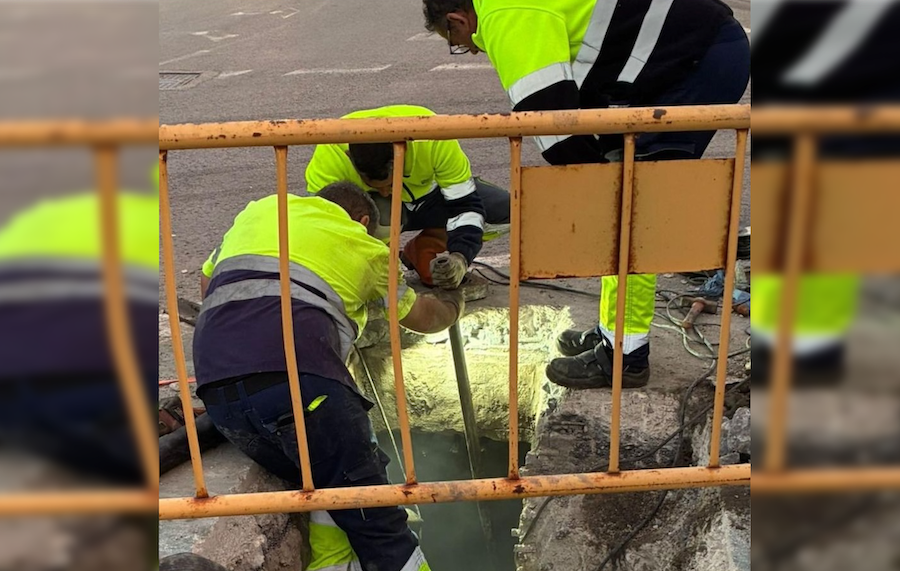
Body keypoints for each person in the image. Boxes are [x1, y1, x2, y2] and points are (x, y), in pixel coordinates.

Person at [421, 0, 750, 389]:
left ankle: (625, 357)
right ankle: (612, 332)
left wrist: (601, 187)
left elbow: (550, 125)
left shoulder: (502, 15)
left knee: (633, 208)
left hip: (696, 60)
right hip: (677, 58)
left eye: (456, 39)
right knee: (621, 201)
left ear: (457, 18)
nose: (469, 48)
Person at [194, 182, 463, 571]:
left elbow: (207, 284)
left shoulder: (262, 211)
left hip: (220, 397)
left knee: (329, 477)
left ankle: (334, 561)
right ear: (363, 221)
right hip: (301, 385)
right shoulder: (364, 245)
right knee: (382, 526)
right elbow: (424, 318)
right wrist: (454, 301)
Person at [305, 104, 509, 289]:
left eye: (390, 184)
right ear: (349, 158)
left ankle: (424, 250)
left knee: (510, 211)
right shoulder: (331, 152)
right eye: (376, 186)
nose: (386, 192)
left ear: (401, 153)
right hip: (380, 212)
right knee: (378, 213)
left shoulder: (433, 134)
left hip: (433, 198)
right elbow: (326, 226)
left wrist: (461, 256)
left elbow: (465, 206)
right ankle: (383, 268)